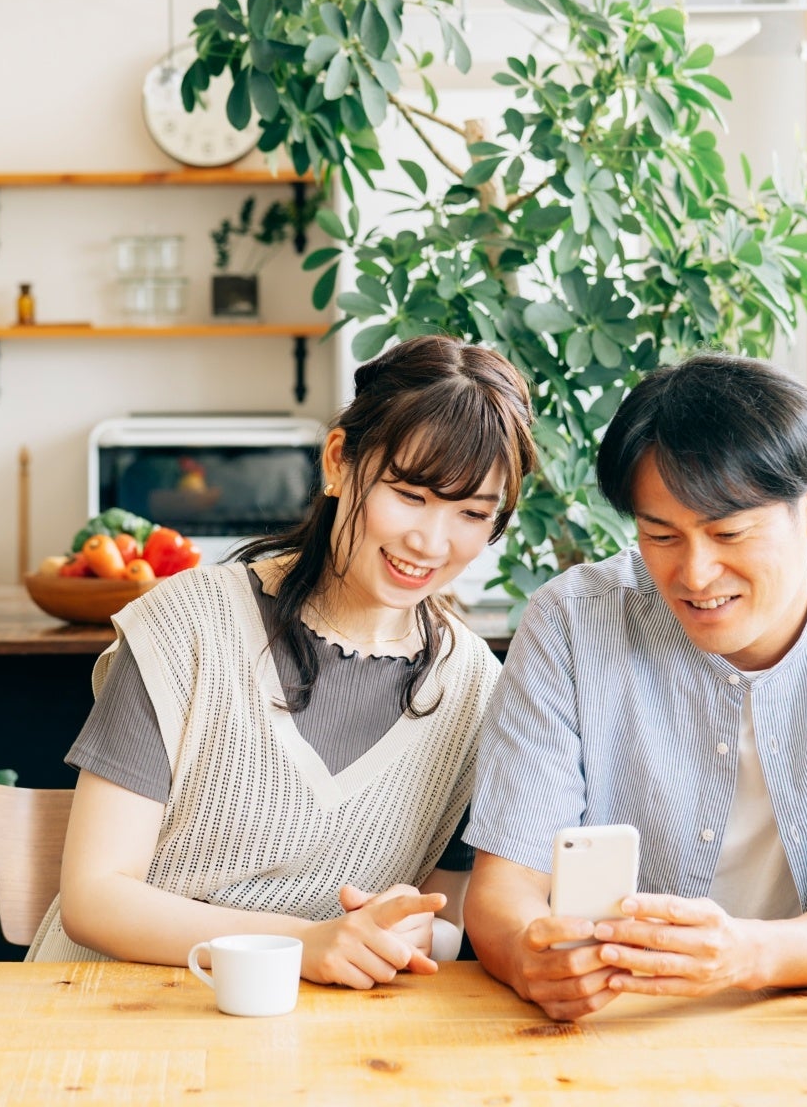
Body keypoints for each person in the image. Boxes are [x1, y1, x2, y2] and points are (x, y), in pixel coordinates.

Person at [462, 352, 807, 1020]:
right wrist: (528, 957)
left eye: (729, 532)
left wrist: (745, 954)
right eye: (660, 535)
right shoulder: (571, 623)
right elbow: (501, 889)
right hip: (613, 1023)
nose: (695, 573)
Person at [28, 335, 537, 989]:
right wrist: (306, 944)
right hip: (106, 1023)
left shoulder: (475, 693)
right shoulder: (189, 624)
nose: (431, 541)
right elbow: (95, 899)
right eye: (410, 495)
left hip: (310, 1051)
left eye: (471, 513)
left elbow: (443, 921)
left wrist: (406, 931)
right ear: (338, 463)